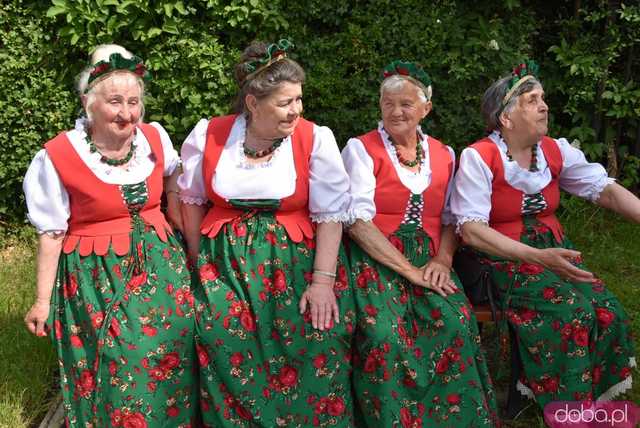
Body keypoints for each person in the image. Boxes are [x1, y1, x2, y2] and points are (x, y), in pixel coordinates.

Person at [178, 39, 355, 426]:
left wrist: (322, 281)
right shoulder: (210, 134)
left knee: (314, 345)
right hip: (224, 267)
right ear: (253, 103)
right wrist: (197, 262)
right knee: (224, 344)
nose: (297, 110)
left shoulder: (314, 138)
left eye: (298, 99)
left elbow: (330, 214)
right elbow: (190, 199)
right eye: (285, 102)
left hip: (295, 266)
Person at [22, 44, 198, 427]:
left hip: (162, 267)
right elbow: (51, 233)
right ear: (90, 102)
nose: (127, 113)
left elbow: (173, 180)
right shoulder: (58, 155)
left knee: (175, 354)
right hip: (98, 274)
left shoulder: (153, 137)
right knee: (121, 360)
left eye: (134, 102)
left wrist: (177, 220)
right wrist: (41, 301)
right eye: (115, 101)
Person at [451, 60, 638, 409]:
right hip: (500, 260)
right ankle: (562, 405)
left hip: (555, 252)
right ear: (506, 117)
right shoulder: (480, 157)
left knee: (607, 309)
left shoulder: (554, 150)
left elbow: (606, 190)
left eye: (543, 98)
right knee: (570, 311)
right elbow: (473, 231)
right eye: (532, 100)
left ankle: (592, 400)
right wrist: (537, 257)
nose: (544, 106)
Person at [341, 61, 498, 427]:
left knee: (455, 322)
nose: (396, 112)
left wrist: (443, 260)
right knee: (384, 335)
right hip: (375, 259)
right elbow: (358, 223)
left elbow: (449, 218)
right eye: (388, 104)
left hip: (429, 258)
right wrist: (410, 272)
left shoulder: (444, 154)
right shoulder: (361, 149)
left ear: (425, 108)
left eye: (406, 104)